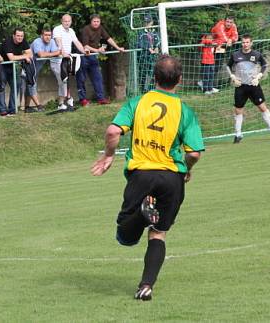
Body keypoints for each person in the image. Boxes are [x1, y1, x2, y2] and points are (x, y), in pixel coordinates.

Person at [91, 55, 205, 301]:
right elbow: (194, 153)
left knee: (125, 236)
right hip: (172, 177)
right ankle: (146, 286)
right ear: (180, 80)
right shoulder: (185, 111)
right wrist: (187, 168)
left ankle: (142, 214)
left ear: (154, 78)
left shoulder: (138, 102)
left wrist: (109, 155)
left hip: (142, 173)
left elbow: (112, 131)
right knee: (158, 233)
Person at [227, 34, 270, 143]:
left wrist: (259, 76)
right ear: (241, 43)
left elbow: (264, 65)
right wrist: (232, 76)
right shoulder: (235, 55)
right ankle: (238, 134)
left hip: (254, 86)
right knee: (238, 110)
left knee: (262, 107)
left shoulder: (256, 54)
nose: (245, 44)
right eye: (243, 42)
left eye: (247, 42)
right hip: (240, 86)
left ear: (251, 43)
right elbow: (228, 66)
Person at [77, 14, 126, 106]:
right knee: (81, 78)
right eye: (94, 21)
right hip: (83, 55)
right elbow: (85, 46)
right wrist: (98, 50)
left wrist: (118, 48)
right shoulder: (86, 30)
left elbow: (108, 38)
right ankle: (82, 99)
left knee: (98, 77)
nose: (96, 23)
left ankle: (101, 99)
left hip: (93, 56)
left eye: (98, 21)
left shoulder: (101, 28)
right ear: (91, 22)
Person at [53, 14, 88, 112]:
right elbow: (58, 41)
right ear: (61, 21)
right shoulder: (57, 29)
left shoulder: (71, 31)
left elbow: (76, 42)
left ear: (71, 21)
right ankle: (62, 102)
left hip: (67, 59)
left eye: (68, 21)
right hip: (58, 59)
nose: (67, 23)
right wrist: (62, 52)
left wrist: (84, 51)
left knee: (66, 81)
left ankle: (66, 102)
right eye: (65, 21)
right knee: (62, 81)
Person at [28, 28, 61, 113]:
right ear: (41, 36)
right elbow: (41, 54)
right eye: (46, 35)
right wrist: (52, 54)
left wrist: (50, 54)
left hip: (37, 67)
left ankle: (27, 107)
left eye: (49, 35)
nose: (48, 37)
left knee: (29, 84)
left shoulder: (52, 41)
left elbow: (58, 52)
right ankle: (38, 105)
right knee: (31, 84)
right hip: (28, 66)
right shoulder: (37, 41)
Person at [1, 28, 31, 116]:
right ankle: (3, 111)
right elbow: (11, 58)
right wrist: (24, 56)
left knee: (16, 86)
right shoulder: (8, 42)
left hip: (14, 67)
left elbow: (30, 54)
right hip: (2, 66)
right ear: (14, 36)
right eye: (18, 35)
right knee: (1, 88)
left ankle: (12, 109)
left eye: (21, 36)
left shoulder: (23, 41)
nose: (20, 38)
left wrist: (25, 56)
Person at [136, 15, 160, 93]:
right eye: (146, 22)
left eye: (148, 22)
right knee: (143, 74)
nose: (147, 24)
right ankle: (142, 90)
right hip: (143, 57)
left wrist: (156, 47)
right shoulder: (141, 32)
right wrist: (148, 48)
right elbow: (139, 43)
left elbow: (158, 40)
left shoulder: (154, 32)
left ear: (152, 22)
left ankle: (151, 89)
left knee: (154, 73)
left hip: (153, 57)